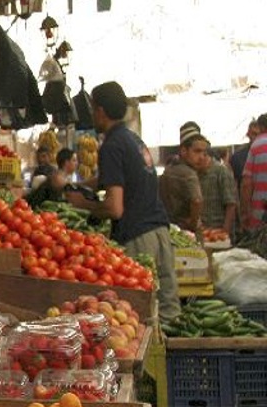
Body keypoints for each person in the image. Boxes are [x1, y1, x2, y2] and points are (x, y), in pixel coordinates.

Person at [65, 81, 180, 322]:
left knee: (139, 317)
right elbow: (119, 176)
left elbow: (114, 208)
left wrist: (80, 203)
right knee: (168, 313)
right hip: (159, 231)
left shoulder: (111, 146)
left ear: (101, 111)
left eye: (94, 108)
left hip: (138, 237)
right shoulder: (133, 141)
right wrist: (83, 185)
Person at [159, 125, 205, 234]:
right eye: (197, 151)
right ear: (184, 151)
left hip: (168, 228)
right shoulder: (189, 174)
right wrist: (193, 224)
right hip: (186, 231)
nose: (201, 157)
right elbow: (197, 201)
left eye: (203, 152)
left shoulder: (169, 169)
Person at [197, 135, 237, 237]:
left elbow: (231, 204)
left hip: (218, 230)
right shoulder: (196, 172)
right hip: (202, 230)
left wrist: (225, 231)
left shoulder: (221, 172)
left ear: (205, 155)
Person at [240, 114, 267, 233]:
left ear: (260, 127)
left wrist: (245, 212)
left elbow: (246, 184)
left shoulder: (256, 146)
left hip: (259, 213)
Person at [230, 117, 262, 187]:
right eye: (254, 134)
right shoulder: (237, 156)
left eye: (260, 134)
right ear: (248, 134)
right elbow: (234, 182)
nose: (257, 137)